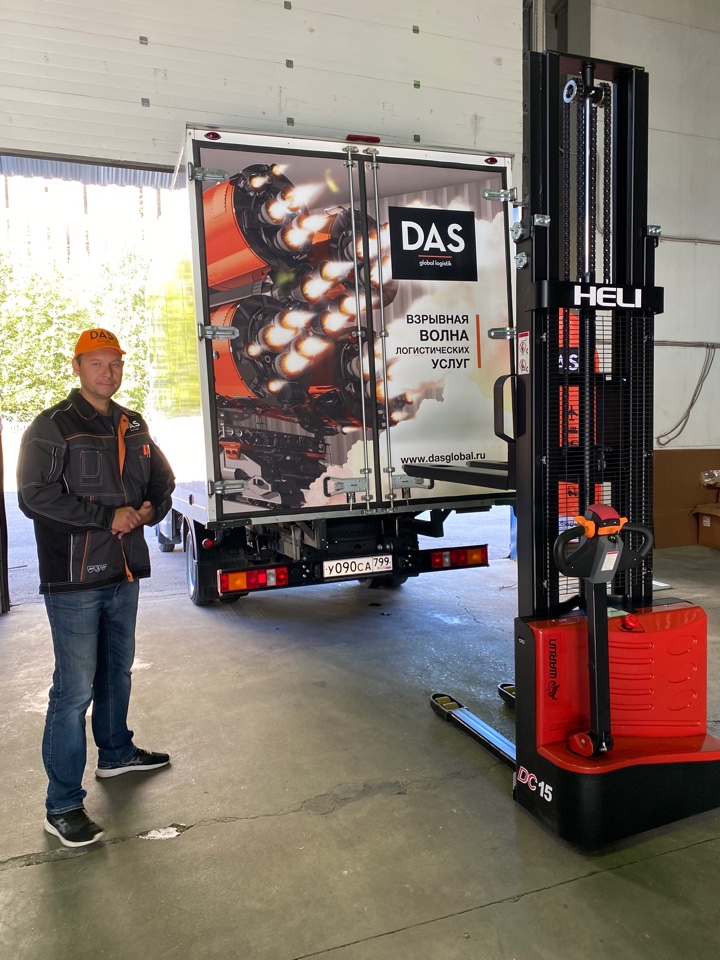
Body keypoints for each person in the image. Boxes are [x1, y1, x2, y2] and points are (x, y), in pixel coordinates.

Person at [17, 327, 176, 848]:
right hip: (74, 579)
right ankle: (62, 805)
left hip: (123, 572)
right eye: (96, 363)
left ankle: (116, 753)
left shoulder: (133, 423)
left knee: (117, 671)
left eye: (115, 363)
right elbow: (34, 496)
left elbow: (163, 480)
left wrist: (150, 510)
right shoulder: (53, 426)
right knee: (73, 691)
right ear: (77, 367)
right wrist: (108, 517)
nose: (108, 373)